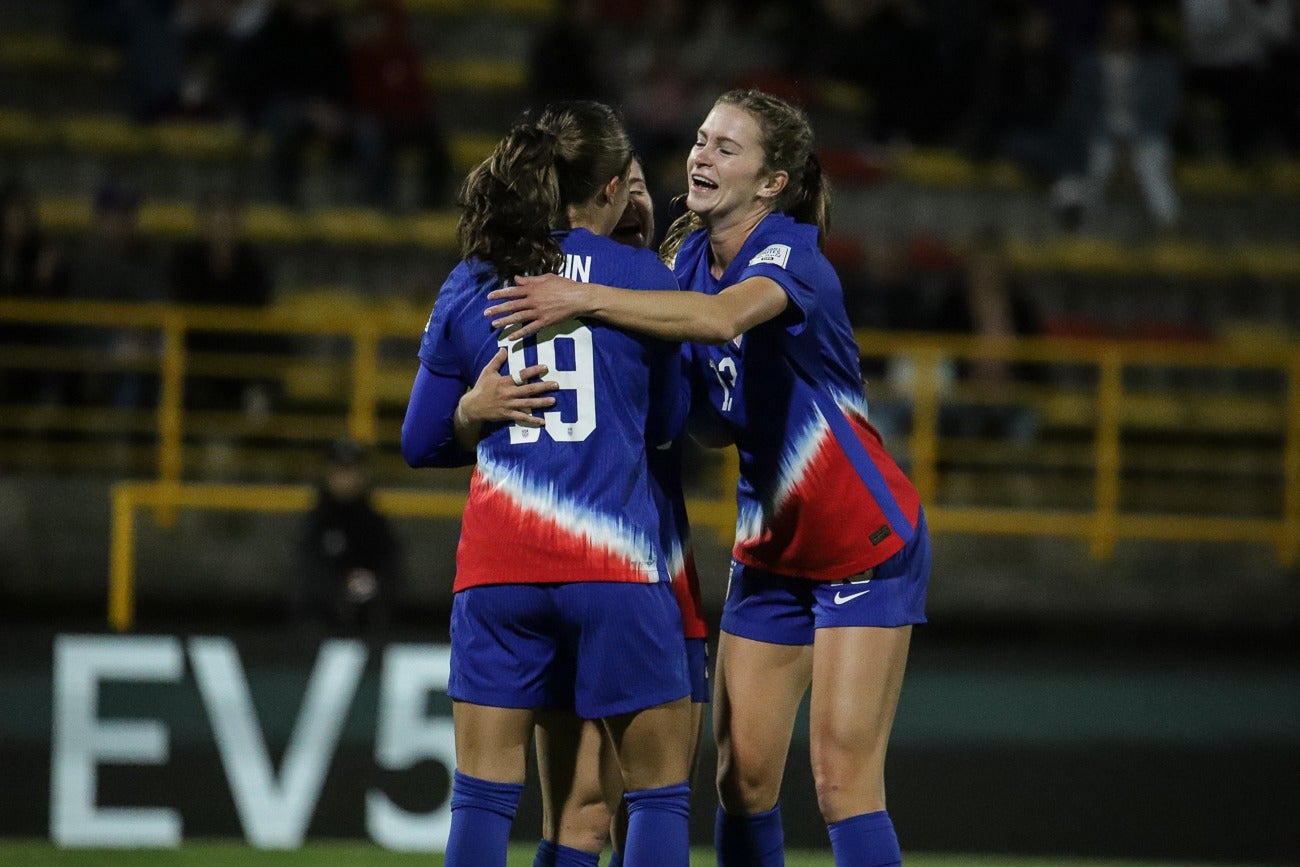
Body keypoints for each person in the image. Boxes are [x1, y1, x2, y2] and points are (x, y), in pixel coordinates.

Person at [485, 88, 930, 866]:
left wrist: (583, 294)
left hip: (860, 537)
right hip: (773, 544)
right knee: (741, 781)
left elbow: (722, 321)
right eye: (700, 139)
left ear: (772, 182)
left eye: (727, 147)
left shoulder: (791, 252)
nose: (701, 154)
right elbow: (707, 424)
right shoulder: (684, 262)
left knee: (841, 781)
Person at [400, 101, 694, 867]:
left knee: (483, 796)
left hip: (500, 569)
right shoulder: (644, 279)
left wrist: (471, 413)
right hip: (613, 564)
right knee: (658, 792)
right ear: (612, 189)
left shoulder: (475, 277)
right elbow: (669, 421)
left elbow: (419, 440)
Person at [529, 158, 710, 867]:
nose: (635, 198)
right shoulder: (556, 297)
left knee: (654, 798)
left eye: (643, 186)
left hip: (663, 555)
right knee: (585, 810)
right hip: (595, 561)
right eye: (622, 185)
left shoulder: (669, 300)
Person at [296, 437, 403, 635]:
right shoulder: (316, 522)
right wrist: (341, 589)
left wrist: (372, 586)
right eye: (340, 470)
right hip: (322, 624)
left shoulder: (375, 523)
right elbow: (306, 574)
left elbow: (392, 569)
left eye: (352, 470)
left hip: (369, 622)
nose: (346, 478)